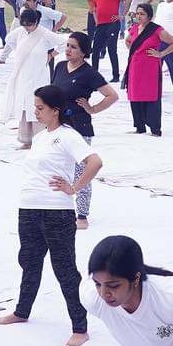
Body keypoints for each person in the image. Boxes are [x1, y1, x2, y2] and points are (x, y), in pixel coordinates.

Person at [0, 85, 101, 346]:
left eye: (41, 108)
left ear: (55, 110)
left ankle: (80, 326)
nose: (36, 112)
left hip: (56, 211)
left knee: (64, 269)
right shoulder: (42, 137)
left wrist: (74, 188)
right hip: (29, 207)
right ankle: (22, 311)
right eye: (36, 107)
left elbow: (95, 161)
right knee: (29, 263)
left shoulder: (67, 136)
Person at [49, 31, 119, 227]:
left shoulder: (89, 73)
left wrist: (93, 109)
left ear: (83, 52)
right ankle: (61, 209)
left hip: (79, 127)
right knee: (58, 168)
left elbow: (112, 96)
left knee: (81, 171)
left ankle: (82, 215)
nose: (68, 50)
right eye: (67, 45)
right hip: (58, 125)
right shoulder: (61, 66)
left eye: (73, 47)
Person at [0, 6, 61, 145]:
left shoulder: (44, 33)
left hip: (38, 74)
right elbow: (9, 39)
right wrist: (20, 53)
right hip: (23, 73)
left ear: (36, 22)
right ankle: (26, 139)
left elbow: (63, 42)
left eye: (29, 25)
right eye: (24, 25)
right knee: (24, 105)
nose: (27, 28)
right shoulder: (19, 32)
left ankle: (40, 139)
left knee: (38, 104)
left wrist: (51, 55)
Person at [121, 4, 173, 137]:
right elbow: (128, 41)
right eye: (137, 13)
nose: (138, 16)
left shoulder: (156, 30)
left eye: (142, 14)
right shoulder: (135, 28)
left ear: (149, 16)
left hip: (150, 68)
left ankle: (155, 128)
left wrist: (161, 53)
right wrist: (134, 52)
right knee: (135, 94)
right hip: (135, 66)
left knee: (151, 95)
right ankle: (139, 126)